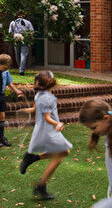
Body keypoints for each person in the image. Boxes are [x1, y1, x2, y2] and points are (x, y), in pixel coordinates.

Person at [19, 70, 72, 201]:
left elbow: (35, 109)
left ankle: (32, 159)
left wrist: (26, 111)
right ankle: (41, 185)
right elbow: (47, 117)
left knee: (64, 153)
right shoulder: (48, 97)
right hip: (49, 130)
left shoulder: (39, 95)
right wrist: (58, 123)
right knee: (61, 155)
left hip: (44, 130)